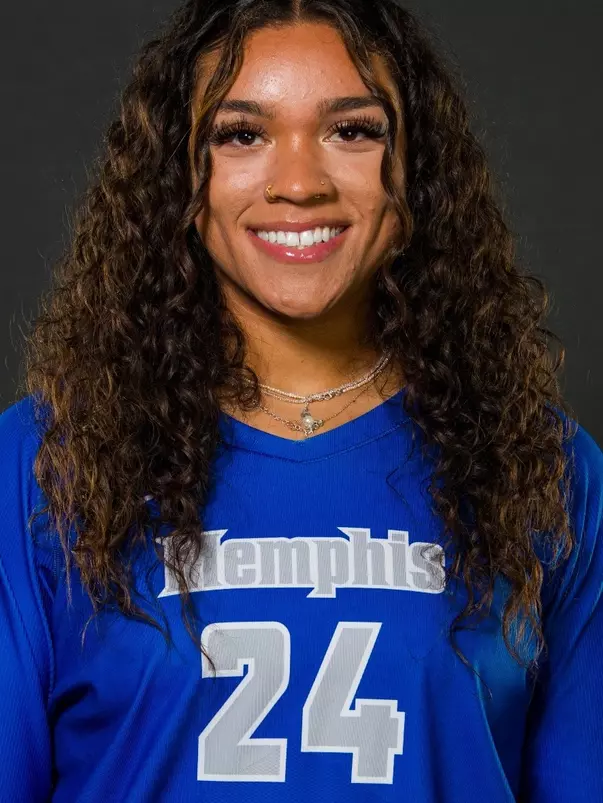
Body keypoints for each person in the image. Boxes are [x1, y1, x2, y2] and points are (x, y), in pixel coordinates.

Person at [1, 0, 601, 800]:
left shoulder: (542, 468)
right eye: (240, 134)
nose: (297, 184)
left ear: (415, 170)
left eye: (351, 131)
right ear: (179, 177)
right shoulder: (43, 463)